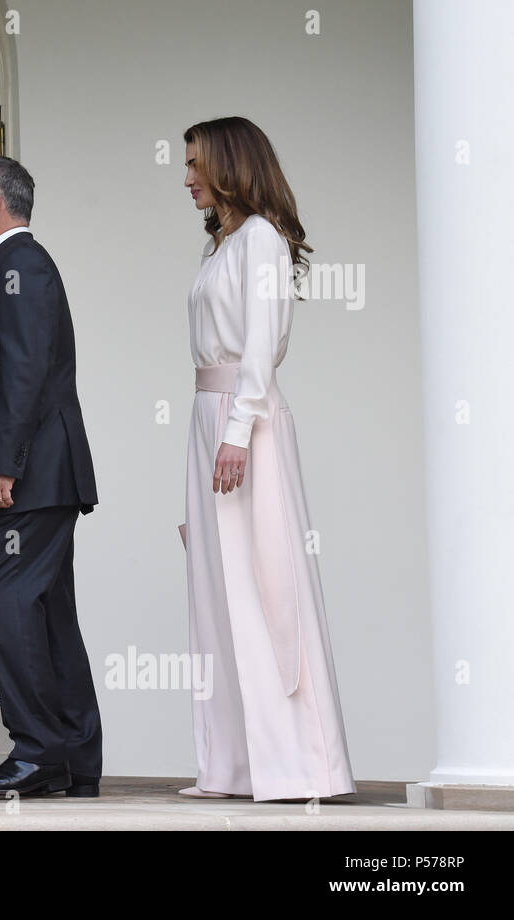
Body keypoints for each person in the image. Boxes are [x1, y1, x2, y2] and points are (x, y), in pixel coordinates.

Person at [180, 116, 355, 801]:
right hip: (206, 419)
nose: (186, 176)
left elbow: (260, 346)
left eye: (195, 163)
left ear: (228, 164)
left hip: (242, 421)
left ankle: (298, 764)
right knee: (218, 593)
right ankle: (233, 765)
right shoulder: (219, 246)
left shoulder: (261, 240)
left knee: (267, 585)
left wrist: (239, 430)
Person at [0, 155, 102, 797]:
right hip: (34, 475)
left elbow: (27, 373)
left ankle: (38, 753)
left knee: (5, 599)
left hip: (28, 476)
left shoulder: (22, 266)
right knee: (47, 614)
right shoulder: (2, 270)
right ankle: (71, 759)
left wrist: (2, 465)